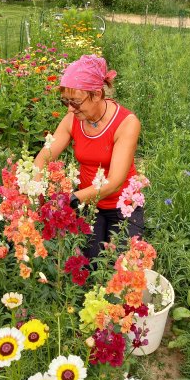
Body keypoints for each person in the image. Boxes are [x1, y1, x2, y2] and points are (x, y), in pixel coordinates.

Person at [34, 54, 144, 259]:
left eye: (75, 102)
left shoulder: (126, 123)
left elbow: (114, 182)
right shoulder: (72, 120)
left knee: (120, 265)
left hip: (122, 206)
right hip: (89, 205)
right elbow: (42, 159)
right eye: (65, 101)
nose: (69, 108)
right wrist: (35, 193)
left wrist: (70, 199)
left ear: (97, 94)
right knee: (88, 262)